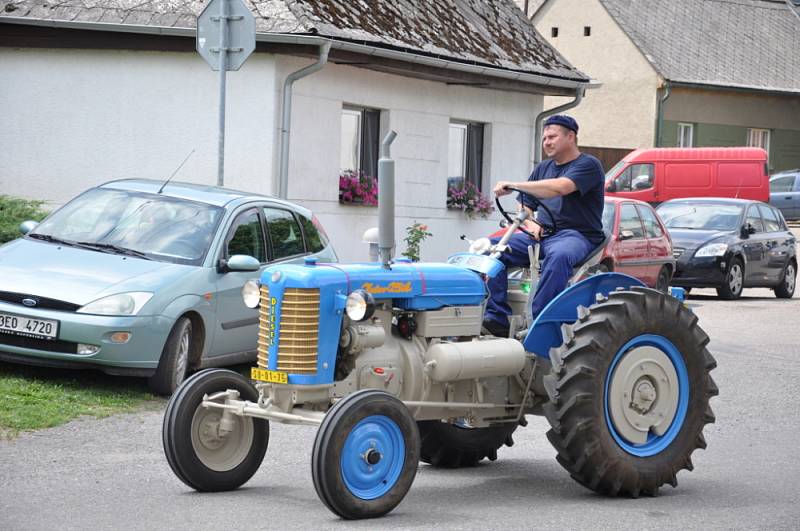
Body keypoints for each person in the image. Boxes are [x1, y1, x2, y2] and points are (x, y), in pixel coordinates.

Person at [483, 115, 605, 338]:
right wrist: (529, 223)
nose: (547, 142)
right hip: (542, 235)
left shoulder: (588, 165)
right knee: (492, 249)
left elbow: (560, 188)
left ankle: (538, 323)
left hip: (576, 235)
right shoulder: (543, 168)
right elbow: (525, 204)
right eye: (544, 138)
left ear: (571, 136)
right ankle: (495, 318)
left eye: (552, 137)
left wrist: (514, 185)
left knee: (559, 257)